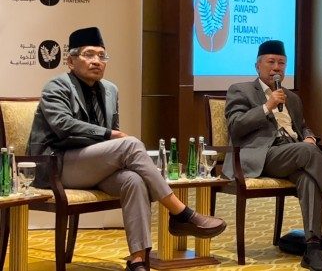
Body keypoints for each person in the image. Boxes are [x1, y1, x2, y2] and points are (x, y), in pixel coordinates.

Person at [27, 27, 227, 271]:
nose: (97, 61)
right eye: (89, 55)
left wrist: (112, 138)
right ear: (70, 60)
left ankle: (138, 259)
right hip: (58, 165)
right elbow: (63, 126)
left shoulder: (110, 90)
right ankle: (181, 214)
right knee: (130, 143)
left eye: (102, 56)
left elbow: (113, 137)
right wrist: (109, 135)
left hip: (94, 164)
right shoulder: (56, 87)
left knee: (133, 180)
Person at [223, 40, 322, 271]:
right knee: (307, 152)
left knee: (309, 178)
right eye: (271, 62)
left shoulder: (293, 98)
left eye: (281, 63)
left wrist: (309, 137)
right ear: (257, 66)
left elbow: (302, 127)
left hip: (294, 153)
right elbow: (236, 126)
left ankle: (312, 248)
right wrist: (267, 106)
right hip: (261, 156)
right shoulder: (240, 90)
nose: (276, 68)